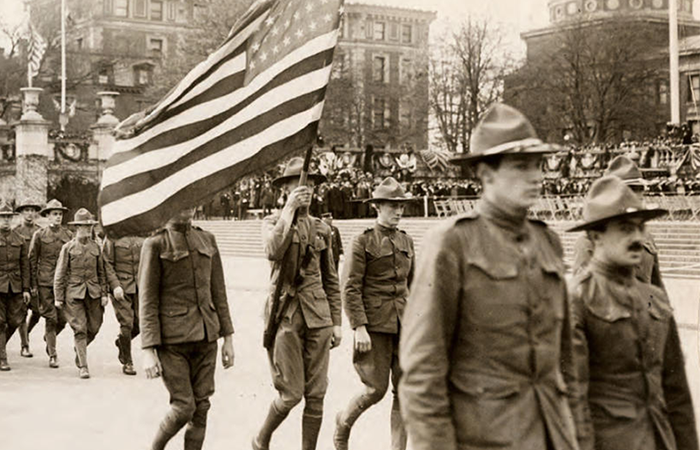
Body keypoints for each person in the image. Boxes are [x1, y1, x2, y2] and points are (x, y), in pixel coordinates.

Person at [399, 103, 578, 450]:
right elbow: (422, 373)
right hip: (484, 440)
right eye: (521, 166)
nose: (537, 176)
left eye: (539, 165)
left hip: (550, 436)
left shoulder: (547, 242)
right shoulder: (453, 243)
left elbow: (566, 363)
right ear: (486, 173)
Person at [566, 176, 698, 450]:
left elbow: (677, 396)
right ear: (596, 236)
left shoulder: (654, 299)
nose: (638, 238)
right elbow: (572, 403)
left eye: (640, 227)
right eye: (626, 229)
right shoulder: (577, 301)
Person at [253, 157, 342, 450]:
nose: (307, 190)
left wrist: (338, 322)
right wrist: (288, 211)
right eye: (300, 185)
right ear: (285, 190)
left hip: (319, 316)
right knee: (290, 394)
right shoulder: (272, 222)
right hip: (286, 315)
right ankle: (261, 438)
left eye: (311, 185)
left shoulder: (323, 228)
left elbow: (331, 278)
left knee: (317, 394)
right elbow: (272, 250)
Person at [139, 206, 235, 450]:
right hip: (173, 341)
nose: (189, 206)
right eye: (182, 201)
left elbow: (219, 291)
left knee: (201, 407)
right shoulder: (155, 244)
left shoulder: (207, 239)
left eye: (193, 200)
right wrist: (148, 349)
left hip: (206, 336)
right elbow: (148, 300)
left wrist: (228, 338)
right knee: (184, 406)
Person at [334, 177, 415, 450]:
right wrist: (359, 327)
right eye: (392, 206)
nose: (398, 211)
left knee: (405, 391)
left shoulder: (407, 241)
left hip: (403, 327)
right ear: (377, 207)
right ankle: (343, 423)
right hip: (374, 327)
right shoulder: (363, 242)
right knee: (375, 390)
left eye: (401, 206)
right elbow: (350, 288)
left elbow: (411, 286)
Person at [572, 155, 665, 290]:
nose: (637, 194)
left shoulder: (645, 237)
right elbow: (584, 295)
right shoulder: (589, 240)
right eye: (630, 189)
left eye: (639, 188)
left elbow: (657, 289)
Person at [54, 208, 110, 379]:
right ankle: (83, 366)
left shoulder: (96, 247)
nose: (86, 230)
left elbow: (102, 272)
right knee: (80, 329)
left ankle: (80, 348)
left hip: (93, 293)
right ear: (76, 228)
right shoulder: (68, 248)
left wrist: (104, 293)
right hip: (74, 294)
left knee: (94, 327)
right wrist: (58, 297)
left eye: (89, 226)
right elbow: (60, 273)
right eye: (82, 226)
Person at [29, 199, 72, 368]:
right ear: (47, 216)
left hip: (62, 284)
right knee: (50, 317)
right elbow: (32, 260)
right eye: (54, 214)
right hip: (45, 282)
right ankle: (53, 355)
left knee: (63, 319)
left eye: (60, 214)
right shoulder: (39, 235)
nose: (58, 217)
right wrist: (32, 284)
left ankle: (49, 338)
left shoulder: (68, 235)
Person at [103, 234, 145, 375]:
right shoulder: (113, 236)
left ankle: (121, 342)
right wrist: (115, 285)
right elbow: (107, 264)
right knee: (127, 323)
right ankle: (128, 361)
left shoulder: (143, 234)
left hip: (140, 286)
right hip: (121, 287)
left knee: (140, 324)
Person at [0, 202, 31, 371]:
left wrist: (26, 289)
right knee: (0, 321)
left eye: (8, 217)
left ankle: (1, 347)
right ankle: (2, 358)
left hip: (16, 286)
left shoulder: (19, 239)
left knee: (15, 320)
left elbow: (25, 266)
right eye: (2, 217)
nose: (5, 220)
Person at [11, 200, 42, 358]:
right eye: (26, 210)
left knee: (38, 311)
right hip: (21, 277)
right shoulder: (16, 232)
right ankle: (25, 345)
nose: (30, 213)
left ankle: (26, 333)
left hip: (37, 277)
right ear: (21, 213)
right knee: (22, 312)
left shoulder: (40, 231)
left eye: (32, 210)